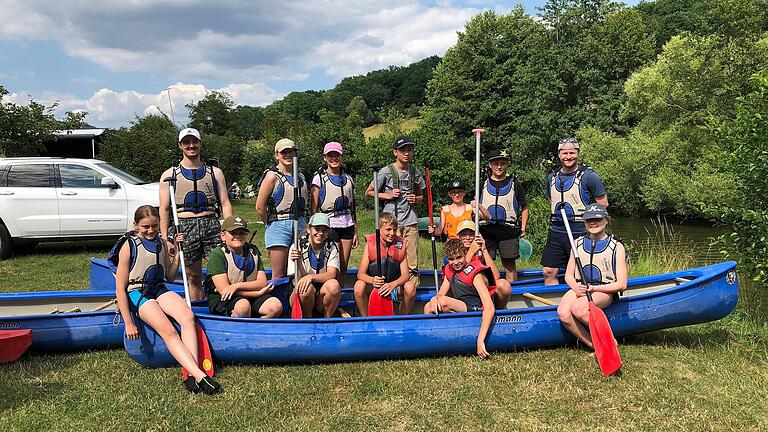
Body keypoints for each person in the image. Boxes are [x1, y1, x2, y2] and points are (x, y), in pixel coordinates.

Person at [114, 205, 221, 394]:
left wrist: (178, 255)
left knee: (188, 317)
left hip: (158, 288)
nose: (150, 230)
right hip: (137, 292)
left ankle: (190, 374)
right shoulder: (128, 245)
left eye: (154, 226)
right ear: (136, 225)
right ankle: (200, 376)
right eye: (145, 226)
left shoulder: (161, 243)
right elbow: (120, 288)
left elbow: (170, 277)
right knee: (169, 331)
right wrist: (129, 322)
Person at [159, 128, 233, 301]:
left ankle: (224, 305)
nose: (191, 146)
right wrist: (165, 238)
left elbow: (225, 202)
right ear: (180, 145)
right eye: (187, 142)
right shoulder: (169, 175)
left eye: (194, 142)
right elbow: (164, 208)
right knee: (193, 276)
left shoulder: (215, 172)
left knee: (223, 268)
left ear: (200, 143)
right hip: (184, 226)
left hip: (211, 223)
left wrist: (229, 228)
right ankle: (197, 307)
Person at [557, 204, 627, 350]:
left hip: (604, 289)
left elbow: (621, 284)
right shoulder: (577, 243)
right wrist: (575, 287)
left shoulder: (617, 246)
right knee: (563, 313)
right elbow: (569, 275)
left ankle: (609, 342)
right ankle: (595, 345)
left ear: (606, 220)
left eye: (597, 218)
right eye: (588, 220)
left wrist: (595, 288)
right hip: (581, 287)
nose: (593, 222)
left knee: (578, 309)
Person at [542, 137, 608, 285]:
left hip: (580, 230)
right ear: (559, 154)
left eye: (572, 153)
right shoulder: (551, 177)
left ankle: (580, 302)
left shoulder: (589, 176)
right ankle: (554, 305)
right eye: (564, 153)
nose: (568, 157)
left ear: (577, 153)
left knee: (581, 272)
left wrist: (595, 230)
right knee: (548, 271)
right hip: (557, 230)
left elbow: (603, 204)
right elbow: (551, 200)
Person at [365, 135, 425, 288]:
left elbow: (421, 195)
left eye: (409, 150)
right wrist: (388, 195)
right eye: (403, 150)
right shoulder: (386, 171)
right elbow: (369, 192)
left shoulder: (415, 172)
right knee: (392, 260)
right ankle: (392, 292)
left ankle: (411, 293)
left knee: (412, 263)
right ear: (395, 152)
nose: (406, 153)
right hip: (391, 224)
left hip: (410, 222)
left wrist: (416, 199)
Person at [424, 238, 495, 358]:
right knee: (429, 306)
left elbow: (489, 307)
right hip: (461, 306)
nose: (456, 262)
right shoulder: (449, 270)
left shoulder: (475, 274)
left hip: (476, 309)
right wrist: (433, 299)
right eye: (451, 259)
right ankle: (431, 340)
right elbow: (440, 294)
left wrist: (480, 340)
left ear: (465, 254)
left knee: (443, 302)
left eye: (459, 257)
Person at [205, 215, 282, 318]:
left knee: (276, 306)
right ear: (223, 235)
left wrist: (236, 286)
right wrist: (257, 294)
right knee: (243, 307)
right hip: (224, 299)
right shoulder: (218, 254)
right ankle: (237, 329)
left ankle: (257, 328)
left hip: (246, 293)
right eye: (233, 233)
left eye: (241, 233)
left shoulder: (252, 251)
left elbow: (262, 282)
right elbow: (225, 291)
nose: (238, 236)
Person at [256, 138, 308, 280]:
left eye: (290, 151)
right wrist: (270, 222)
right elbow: (260, 206)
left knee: (302, 268)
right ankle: (278, 301)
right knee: (279, 273)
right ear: (277, 155)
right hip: (279, 224)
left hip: (300, 223)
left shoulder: (301, 176)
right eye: (283, 152)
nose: (287, 155)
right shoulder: (272, 176)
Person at [476, 149, 528, 282]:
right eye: (496, 163)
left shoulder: (514, 184)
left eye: (502, 163)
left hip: (508, 230)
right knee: (484, 263)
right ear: (490, 165)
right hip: (486, 230)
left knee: (509, 265)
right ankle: (488, 292)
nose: (499, 167)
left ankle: (513, 295)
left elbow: (524, 207)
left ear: (507, 164)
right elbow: (475, 205)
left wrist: (523, 227)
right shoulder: (482, 184)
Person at [311, 141, 358, 283]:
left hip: (347, 225)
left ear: (341, 156)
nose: (334, 159)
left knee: (343, 266)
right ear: (325, 158)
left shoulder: (348, 179)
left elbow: (352, 208)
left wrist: (355, 230)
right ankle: (328, 296)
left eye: (336, 155)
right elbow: (314, 208)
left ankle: (339, 297)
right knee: (332, 266)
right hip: (329, 226)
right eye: (330, 155)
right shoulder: (319, 178)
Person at [353, 212, 416, 316]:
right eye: (388, 229)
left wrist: (392, 285)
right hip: (374, 288)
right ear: (379, 229)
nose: (392, 233)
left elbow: (405, 275)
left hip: (393, 288)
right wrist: (372, 280)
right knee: (359, 286)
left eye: (395, 230)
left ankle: (401, 318)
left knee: (410, 287)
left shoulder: (400, 245)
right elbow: (360, 274)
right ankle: (365, 318)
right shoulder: (370, 244)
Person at [289, 213, 342, 318]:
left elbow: (332, 274)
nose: (320, 233)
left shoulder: (332, 247)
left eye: (325, 230)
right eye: (317, 229)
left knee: (334, 286)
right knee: (305, 289)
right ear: (309, 229)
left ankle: (327, 320)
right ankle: (308, 320)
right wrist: (298, 261)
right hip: (301, 292)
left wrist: (311, 277)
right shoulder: (296, 247)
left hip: (321, 293)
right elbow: (298, 279)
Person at [455, 220, 512, 309]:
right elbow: (459, 277)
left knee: (504, 285)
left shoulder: (480, 253)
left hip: (482, 289)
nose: (468, 237)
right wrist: (471, 251)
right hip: (463, 291)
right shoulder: (453, 253)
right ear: (458, 237)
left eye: (471, 234)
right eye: (464, 234)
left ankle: (497, 313)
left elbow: (496, 276)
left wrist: (484, 250)